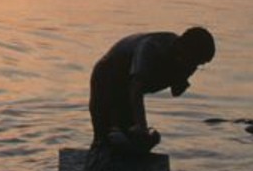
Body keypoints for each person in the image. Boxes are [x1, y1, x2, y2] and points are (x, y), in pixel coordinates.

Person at [87, 27, 215, 147]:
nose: (195, 67)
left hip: (129, 87)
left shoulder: (182, 60)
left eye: (200, 64)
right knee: (105, 137)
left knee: (134, 139)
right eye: (196, 61)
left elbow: (176, 91)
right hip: (107, 78)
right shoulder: (150, 48)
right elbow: (136, 89)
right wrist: (141, 125)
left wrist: (183, 75)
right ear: (185, 50)